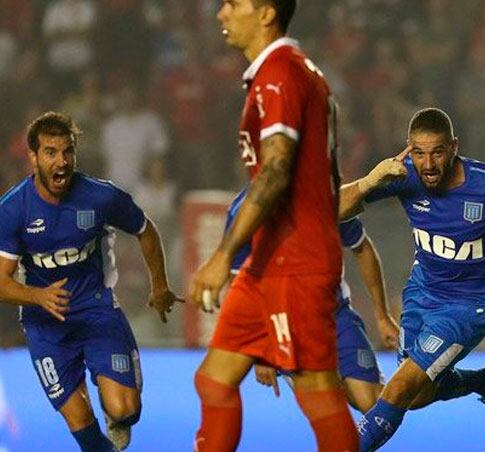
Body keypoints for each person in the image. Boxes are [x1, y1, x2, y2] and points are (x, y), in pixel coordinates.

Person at [187, 1, 359, 450]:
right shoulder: (289, 72)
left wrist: (223, 256)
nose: (222, 14)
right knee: (213, 380)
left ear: (266, 13)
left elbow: (278, 169)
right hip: (269, 260)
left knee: (317, 392)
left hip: (295, 262)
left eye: (233, 4)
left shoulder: (281, 73)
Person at [340, 107, 485, 451]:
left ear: (454, 147)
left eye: (438, 152)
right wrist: (371, 180)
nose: (428, 164)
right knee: (416, 396)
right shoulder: (403, 175)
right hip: (421, 292)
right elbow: (329, 212)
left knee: (397, 390)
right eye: (419, 153)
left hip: (470, 306)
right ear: (408, 150)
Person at [0, 111, 181, 452]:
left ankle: (120, 408)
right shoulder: (13, 210)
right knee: (80, 422)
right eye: (51, 152)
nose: (62, 161)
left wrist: (159, 286)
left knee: (125, 409)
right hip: (45, 324)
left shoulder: (100, 197)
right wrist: (38, 297)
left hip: (95, 309)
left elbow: (146, 230)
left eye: (67, 151)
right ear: (34, 158)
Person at [224, 188, 398, 412]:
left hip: (335, 315)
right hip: (284, 326)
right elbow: (239, 286)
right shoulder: (245, 211)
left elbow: (361, 247)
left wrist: (382, 315)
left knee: (372, 405)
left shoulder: (325, 196)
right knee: (327, 409)